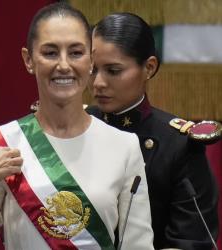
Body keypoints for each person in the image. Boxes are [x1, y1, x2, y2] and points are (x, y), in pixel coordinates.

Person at [0, 3, 154, 250]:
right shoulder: (0, 145)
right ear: (29, 60)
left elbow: (138, 245)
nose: (63, 65)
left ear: (91, 60)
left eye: (76, 52)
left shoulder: (124, 146)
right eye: (50, 53)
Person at [86, 12, 219, 250]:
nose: (98, 83)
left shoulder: (179, 144)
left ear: (149, 67)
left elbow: (193, 241)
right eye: (93, 70)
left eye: (113, 71)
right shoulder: (78, 126)